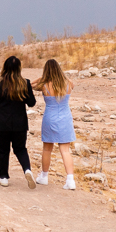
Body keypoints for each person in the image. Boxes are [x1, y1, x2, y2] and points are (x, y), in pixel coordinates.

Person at [0, 56, 37, 189]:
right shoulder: (25, 83)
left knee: (3, 150)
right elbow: (32, 103)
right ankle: (27, 169)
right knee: (20, 149)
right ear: (19, 68)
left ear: (5, 67)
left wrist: (0, 109)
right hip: (20, 123)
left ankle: (3, 177)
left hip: (2, 123)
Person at [33, 59, 76, 190]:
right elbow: (70, 83)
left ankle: (44, 176)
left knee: (47, 148)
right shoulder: (68, 83)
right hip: (65, 118)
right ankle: (70, 180)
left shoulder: (44, 84)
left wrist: (42, 77)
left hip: (50, 118)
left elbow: (30, 84)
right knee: (65, 150)